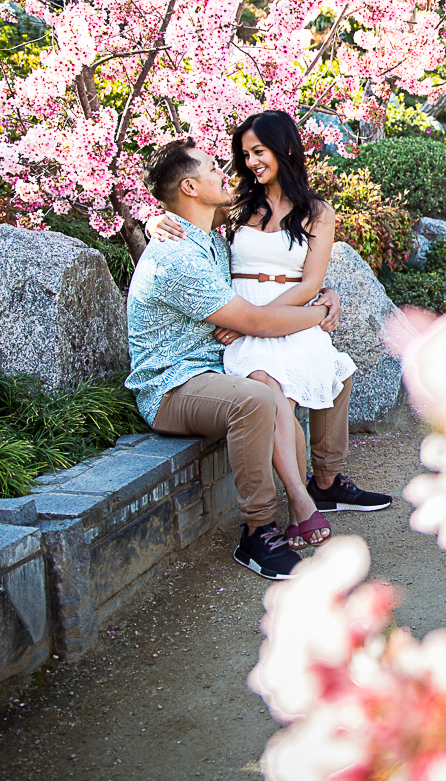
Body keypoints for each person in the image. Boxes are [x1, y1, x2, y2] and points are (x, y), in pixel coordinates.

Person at [126, 138, 390, 581]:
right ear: (190, 187)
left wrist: (327, 293)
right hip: (173, 384)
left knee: (326, 369)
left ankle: (322, 485)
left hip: (214, 364)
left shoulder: (207, 238)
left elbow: (274, 284)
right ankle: (258, 530)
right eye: (212, 169)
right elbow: (255, 321)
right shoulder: (176, 256)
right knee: (257, 398)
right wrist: (320, 312)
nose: (224, 173)